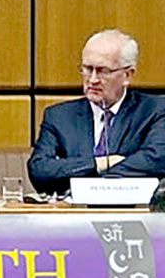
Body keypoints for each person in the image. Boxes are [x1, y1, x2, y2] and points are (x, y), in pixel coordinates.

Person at [28, 29, 165, 196]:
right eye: (87, 69)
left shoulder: (155, 110)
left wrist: (85, 181)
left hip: (135, 213)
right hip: (73, 216)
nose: (92, 80)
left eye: (103, 71)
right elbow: (40, 171)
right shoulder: (59, 116)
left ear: (127, 75)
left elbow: (155, 161)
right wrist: (100, 164)